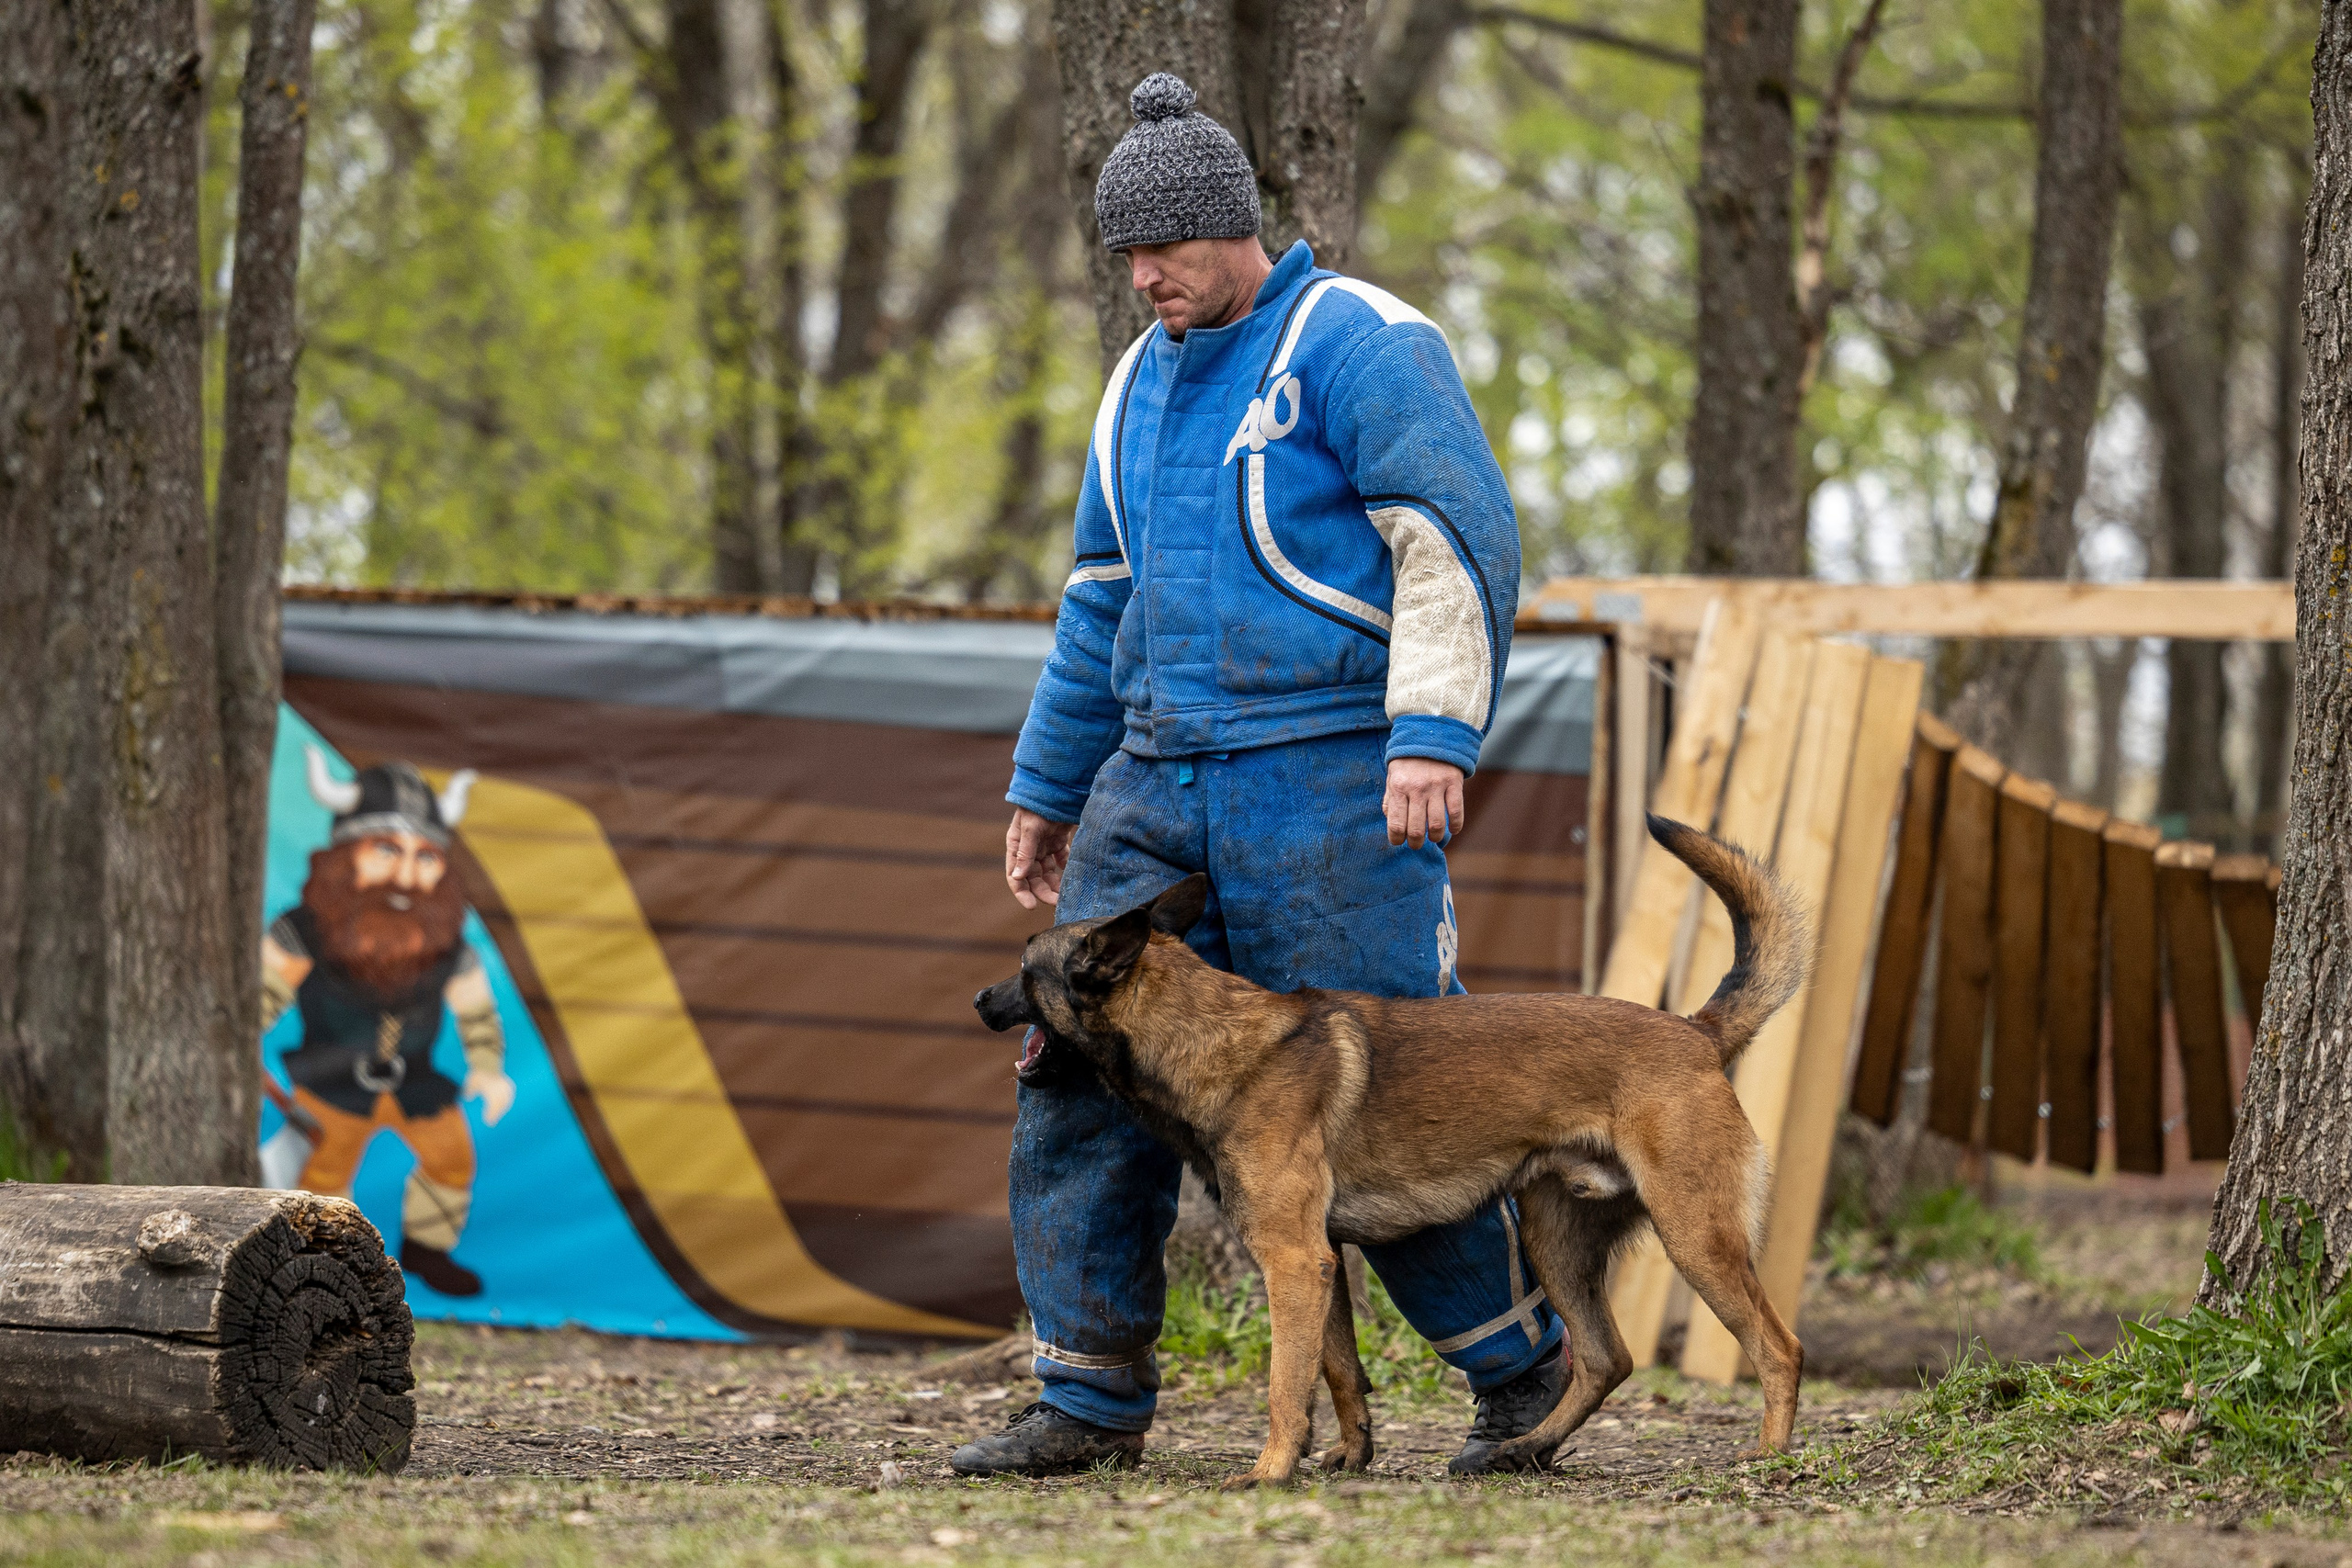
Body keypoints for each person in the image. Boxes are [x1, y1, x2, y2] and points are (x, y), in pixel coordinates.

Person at [950, 72, 1565, 1479]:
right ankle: (1088, 1394)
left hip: (1332, 776)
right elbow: (1099, 597)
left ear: (1234, 229)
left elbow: (1456, 540)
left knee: (1405, 1082)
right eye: (1126, 258)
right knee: (1068, 1063)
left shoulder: (1362, 340)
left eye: (1163, 252)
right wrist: (1047, 786)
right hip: (1155, 776)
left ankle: (1521, 1372)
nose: (1144, 279)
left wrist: (1430, 734)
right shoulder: (1133, 381)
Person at [262, 750, 514, 1298]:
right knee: (321, 1186)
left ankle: (427, 1250)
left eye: (425, 856)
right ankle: (323, 1274)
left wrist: (489, 1069)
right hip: (332, 1085)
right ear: (345, 854)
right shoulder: (303, 931)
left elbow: (477, 1012)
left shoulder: (446, 943)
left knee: (452, 1160)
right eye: (385, 849)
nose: (406, 875)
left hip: (418, 1086)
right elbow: (260, 996)